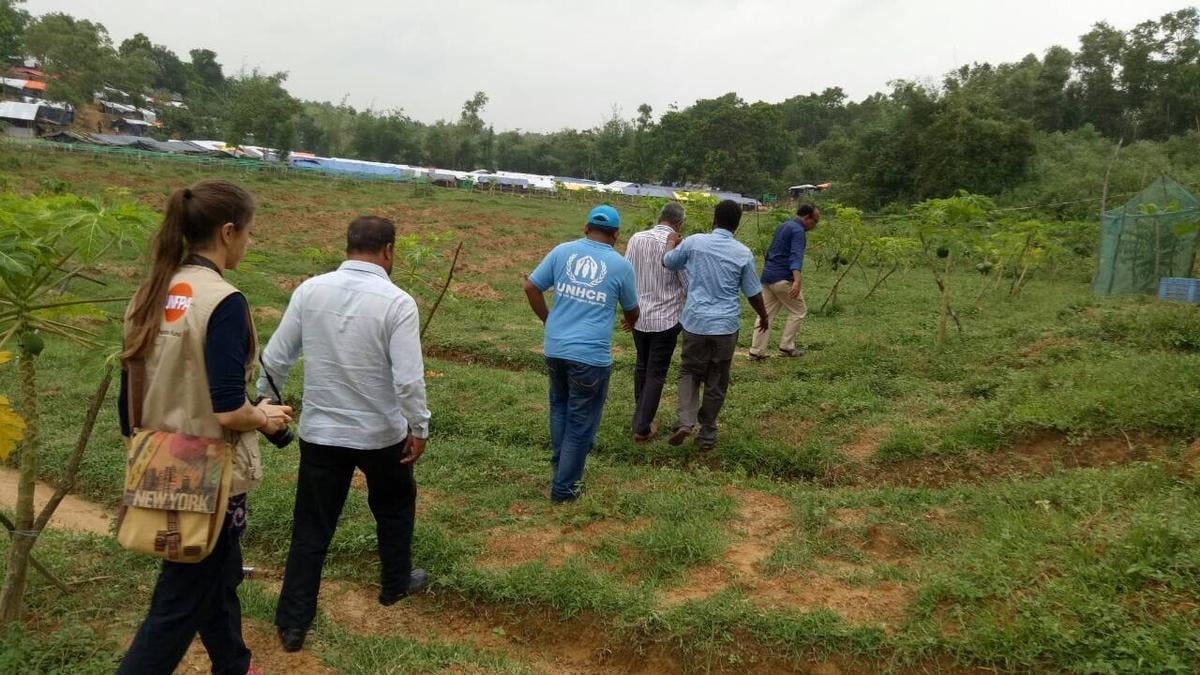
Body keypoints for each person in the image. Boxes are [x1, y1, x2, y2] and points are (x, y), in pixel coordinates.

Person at [117, 180, 293, 675]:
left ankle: (232, 664)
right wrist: (265, 416)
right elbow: (227, 410)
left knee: (217, 576)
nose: (249, 243)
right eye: (249, 233)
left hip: (158, 460)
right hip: (207, 478)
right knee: (175, 608)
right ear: (228, 232)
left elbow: (126, 396)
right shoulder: (224, 301)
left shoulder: (151, 291)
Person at [260, 215, 431, 653]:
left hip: (322, 433)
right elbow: (408, 380)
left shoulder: (309, 291)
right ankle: (395, 583)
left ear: (349, 245)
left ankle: (293, 623)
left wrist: (263, 400)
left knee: (311, 528)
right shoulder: (398, 302)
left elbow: (276, 356)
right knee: (394, 507)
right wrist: (419, 426)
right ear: (389, 251)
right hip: (381, 434)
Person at [524, 205, 639, 502]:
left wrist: (549, 320)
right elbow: (632, 310)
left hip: (556, 347)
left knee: (560, 407)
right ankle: (564, 488)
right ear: (615, 235)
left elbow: (531, 287)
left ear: (586, 228)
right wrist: (630, 321)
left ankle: (561, 466)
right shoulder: (620, 265)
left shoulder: (562, 251)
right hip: (590, 357)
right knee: (580, 422)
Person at [663, 199, 769, 451]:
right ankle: (707, 433)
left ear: (714, 219)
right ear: (737, 225)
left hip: (695, 322)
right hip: (725, 327)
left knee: (689, 371)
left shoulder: (694, 242)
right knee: (717, 378)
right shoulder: (742, 253)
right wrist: (763, 316)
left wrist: (670, 244)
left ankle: (686, 421)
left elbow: (669, 262)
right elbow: (753, 292)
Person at [623, 201, 688, 443]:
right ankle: (642, 427)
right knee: (656, 373)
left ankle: (641, 416)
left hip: (639, 316)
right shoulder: (677, 246)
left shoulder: (636, 239)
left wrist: (627, 311)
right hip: (666, 319)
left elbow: (626, 276)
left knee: (642, 365)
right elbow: (687, 282)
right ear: (678, 223)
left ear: (660, 217)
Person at [749, 204, 820, 360]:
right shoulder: (798, 231)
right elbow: (796, 256)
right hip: (782, 279)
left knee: (765, 314)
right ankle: (787, 346)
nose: (815, 225)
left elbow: (771, 251)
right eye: (815, 221)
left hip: (768, 277)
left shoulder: (784, 226)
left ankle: (756, 352)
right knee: (799, 310)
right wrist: (797, 281)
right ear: (807, 217)